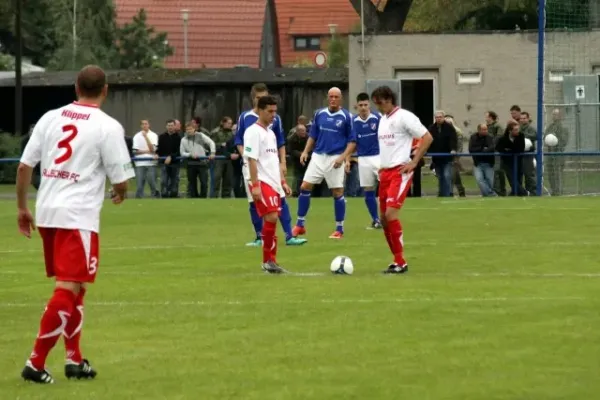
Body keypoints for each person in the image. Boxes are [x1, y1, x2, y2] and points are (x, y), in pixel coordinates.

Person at [16, 65, 135, 384]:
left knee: (77, 286)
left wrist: (22, 208)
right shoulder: (107, 126)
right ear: (105, 90)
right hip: (77, 216)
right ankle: (35, 362)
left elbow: (25, 166)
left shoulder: (50, 117)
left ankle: (74, 359)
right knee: (68, 288)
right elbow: (122, 180)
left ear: (75, 87)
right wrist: (119, 192)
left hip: (48, 211)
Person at [235, 83, 306, 246]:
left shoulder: (274, 120)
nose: (263, 101)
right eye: (260, 98)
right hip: (252, 166)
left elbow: (280, 142)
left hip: (271, 167)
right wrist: (248, 158)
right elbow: (239, 141)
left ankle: (289, 235)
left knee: (281, 198)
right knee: (254, 201)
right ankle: (260, 237)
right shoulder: (246, 119)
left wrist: (282, 163)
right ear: (254, 99)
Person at [371, 85, 433, 274]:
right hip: (385, 173)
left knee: (391, 215)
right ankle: (396, 260)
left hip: (400, 172)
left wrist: (414, 162)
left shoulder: (404, 116)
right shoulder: (383, 120)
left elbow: (427, 137)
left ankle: (401, 261)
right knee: (383, 218)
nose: (378, 107)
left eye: (379, 103)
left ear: (388, 100)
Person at [292, 87, 356, 239]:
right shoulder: (319, 114)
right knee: (304, 187)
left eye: (336, 97)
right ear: (328, 98)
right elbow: (313, 135)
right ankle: (300, 225)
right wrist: (306, 151)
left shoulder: (347, 117)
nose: (333, 99)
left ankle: (339, 229)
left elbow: (352, 142)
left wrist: (343, 158)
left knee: (337, 192)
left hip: (335, 158)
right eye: (331, 96)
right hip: (318, 156)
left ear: (341, 99)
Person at [243, 95, 292, 274]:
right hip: (261, 181)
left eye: (275, 111)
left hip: (273, 182)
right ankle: (268, 261)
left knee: (272, 219)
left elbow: (273, 160)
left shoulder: (270, 133)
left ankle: (271, 261)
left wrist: (283, 182)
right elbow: (252, 159)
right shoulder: (252, 132)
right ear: (260, 110)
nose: (273, 115)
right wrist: (255, 185)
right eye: (270, 111)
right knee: (271, 217)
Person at [352, 92, 381, 229]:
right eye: (360, 105)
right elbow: (351, 142)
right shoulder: (353, 122)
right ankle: (376, 219)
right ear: (356, 106)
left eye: (365, 105)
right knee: (368, 190)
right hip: (363, 159)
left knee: (386, 186)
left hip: (379, 157)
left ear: (369, 105)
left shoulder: (377, 118)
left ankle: (387, 216)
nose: (363, 107)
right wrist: (347, 159)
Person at [157, 119, 181, 198]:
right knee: (164, 181)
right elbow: (159, 150)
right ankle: (164, 196)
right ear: (166, 126)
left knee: (174, 182)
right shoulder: (161, 137)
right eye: (168, 125)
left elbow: (179, 151)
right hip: (164, 163)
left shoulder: (179, 138)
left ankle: (174, 196)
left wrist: (171, 156)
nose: (170, 127)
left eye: (171, 125)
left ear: (174, 126)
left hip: (175, 163)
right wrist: (156, 154)